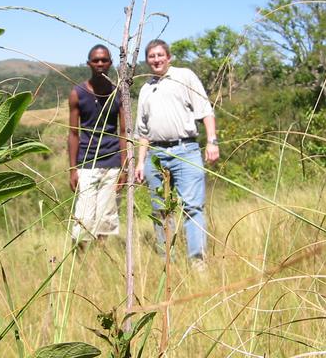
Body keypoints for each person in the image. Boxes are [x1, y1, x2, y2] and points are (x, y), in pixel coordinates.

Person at [135, 39, 219, 264]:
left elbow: (205, 111)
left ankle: (197, 262)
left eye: (160, 55)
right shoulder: (145, 89)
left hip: (186, 150)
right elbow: (142, 131)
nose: (156, 60)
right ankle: (167, 263)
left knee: (192, 207)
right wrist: (140, 162)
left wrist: (212, 141)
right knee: (161, 210)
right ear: (147, 61)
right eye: (151, 56)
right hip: (155, 155)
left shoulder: (185, 76)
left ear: (168, 57)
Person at [68, 44, 126, 244]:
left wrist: (124, 168)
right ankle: (81, 260)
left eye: (104, 60)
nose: (100, 64)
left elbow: (124, 132)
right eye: (96, 60)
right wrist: (72, 169)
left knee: (106, 218)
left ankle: (100, 262)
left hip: (112, 162)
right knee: (83, 218)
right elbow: (73, 133)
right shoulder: (78, 93)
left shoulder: (119, 93)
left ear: (110, 63)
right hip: (87, 163)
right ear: (88, 63)